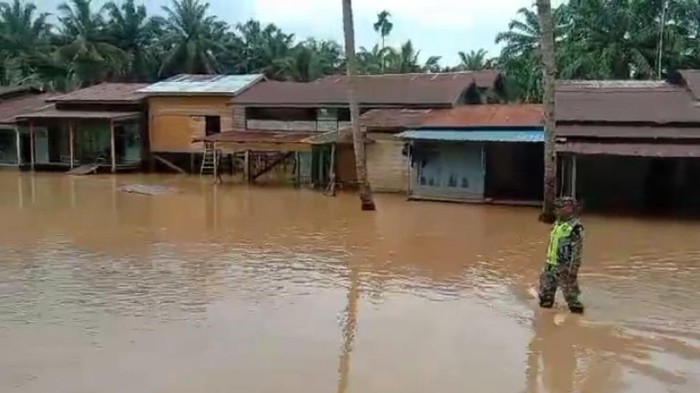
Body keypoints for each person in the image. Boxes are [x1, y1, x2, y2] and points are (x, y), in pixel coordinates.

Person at [538, 196, 585, 314]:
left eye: (560, 208)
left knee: (573, 301)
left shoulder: (575, 227)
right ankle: (546, 325)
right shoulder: (557, 223)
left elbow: (577, 250)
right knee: (545, 298)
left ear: (569, 208)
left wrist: (573, 269)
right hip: (550, 265)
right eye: (556, 208)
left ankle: (577, 324)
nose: (556, 210)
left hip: (565, 267)